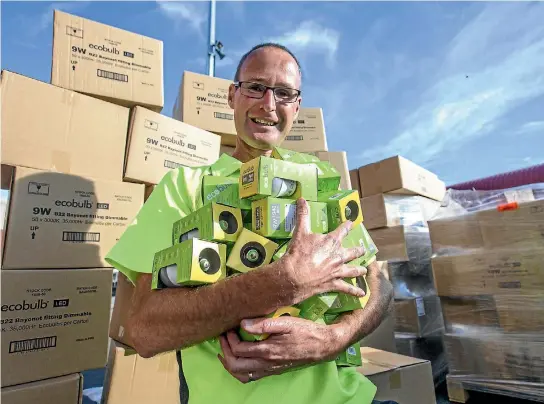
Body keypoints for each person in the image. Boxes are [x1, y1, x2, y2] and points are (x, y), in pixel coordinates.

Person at [105, 43, 394, 404]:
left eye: (284, 93)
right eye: (255, 87)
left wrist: (335, 337)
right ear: (232, 95)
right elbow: (145, 331)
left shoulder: (320, 175)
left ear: (297, 106)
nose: (268, 105)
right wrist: (281, 284)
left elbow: (379, 283)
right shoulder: (185, 187)